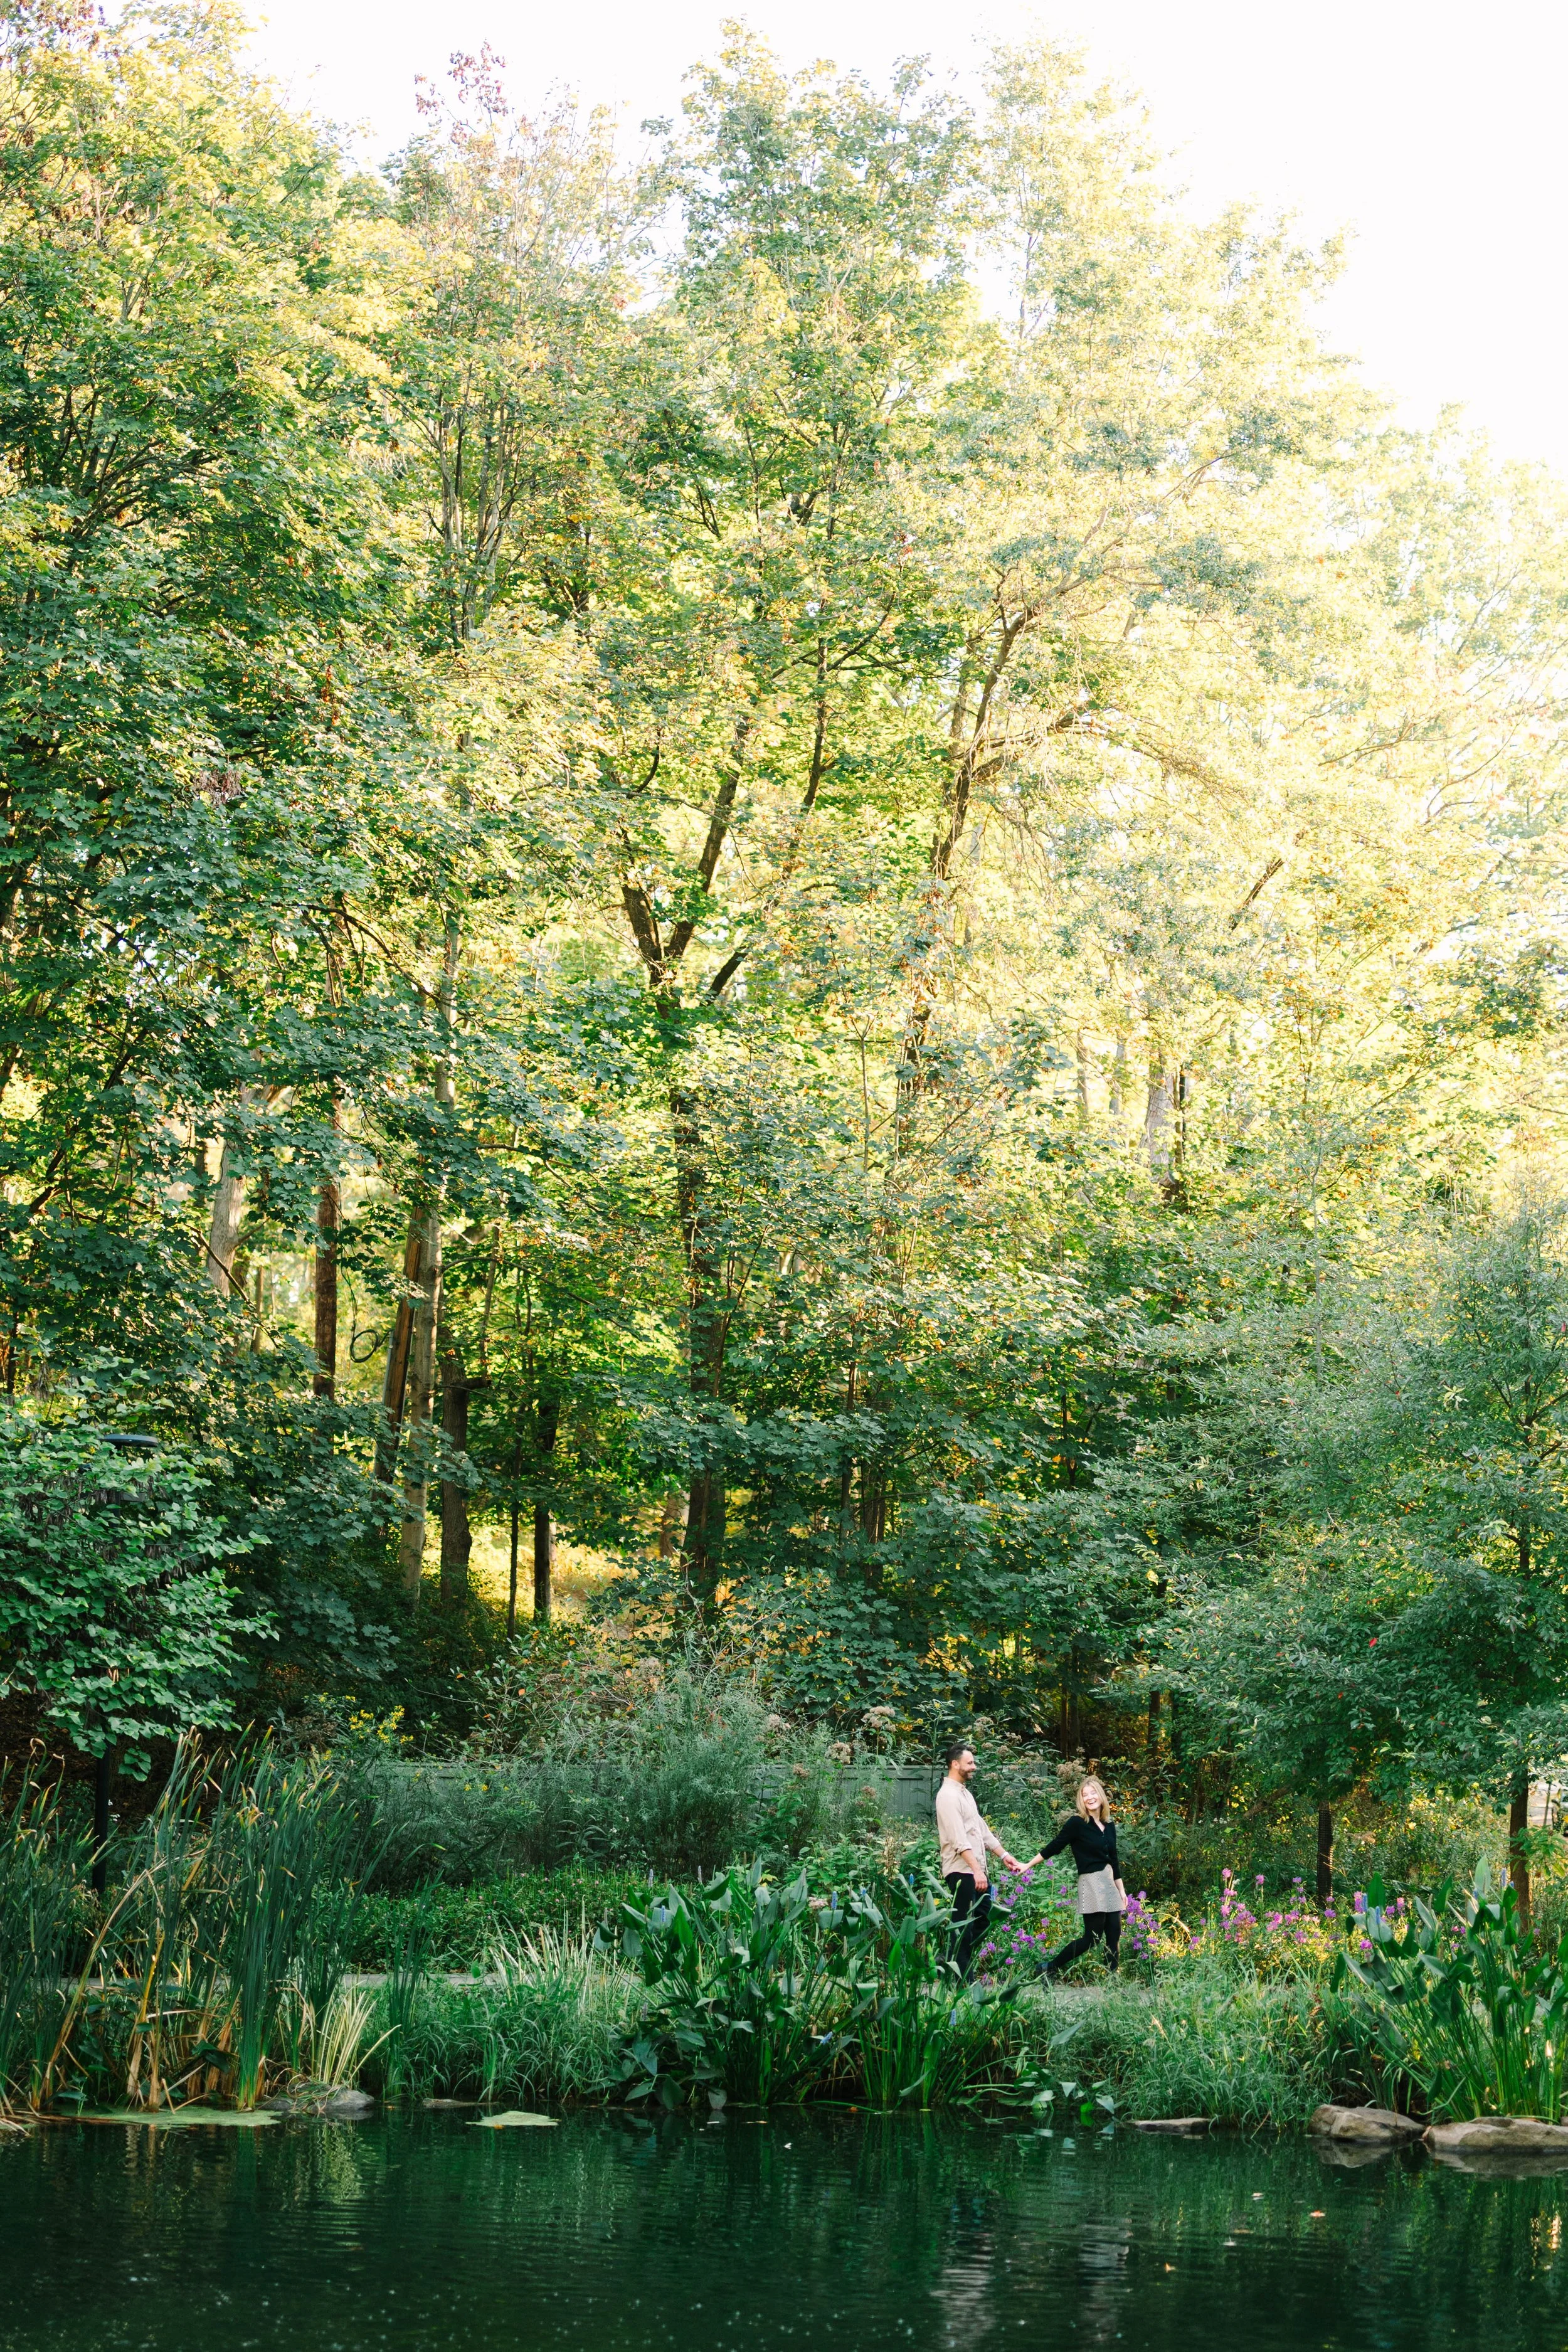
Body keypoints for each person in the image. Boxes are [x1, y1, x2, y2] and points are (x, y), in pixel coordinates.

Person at [935, 1739, 1027, 1978]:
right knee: (963, 1925)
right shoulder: (947, 1796)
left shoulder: (965, 1794)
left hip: (976, 1870)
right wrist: (976, 1870)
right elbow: (957, 1839)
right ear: (955, 1764)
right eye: (970, 1762)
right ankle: (963, 1979)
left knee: (984, 1917)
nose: (974, 1766)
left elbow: (980, 1829)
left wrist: (1004, 1855)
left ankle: (950, 1956)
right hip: (961, 1870)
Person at [1039, 1774, 1126, 1978]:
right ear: (1082, 1800)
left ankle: (1112, 1982)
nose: (1089, 1797)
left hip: (1109, 1882)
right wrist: (1027, 1865)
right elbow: (1055, 1846)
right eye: (1085, 1795)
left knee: (1114, 1934)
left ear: (1101, 1796)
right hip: (1091, 1882)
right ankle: (1048, 1968)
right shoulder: (1077, 1823)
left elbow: (1114, 1859)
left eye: (1093, 1793)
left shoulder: (1110, 1826)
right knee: (1093, 1938)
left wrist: (1121, 1890)